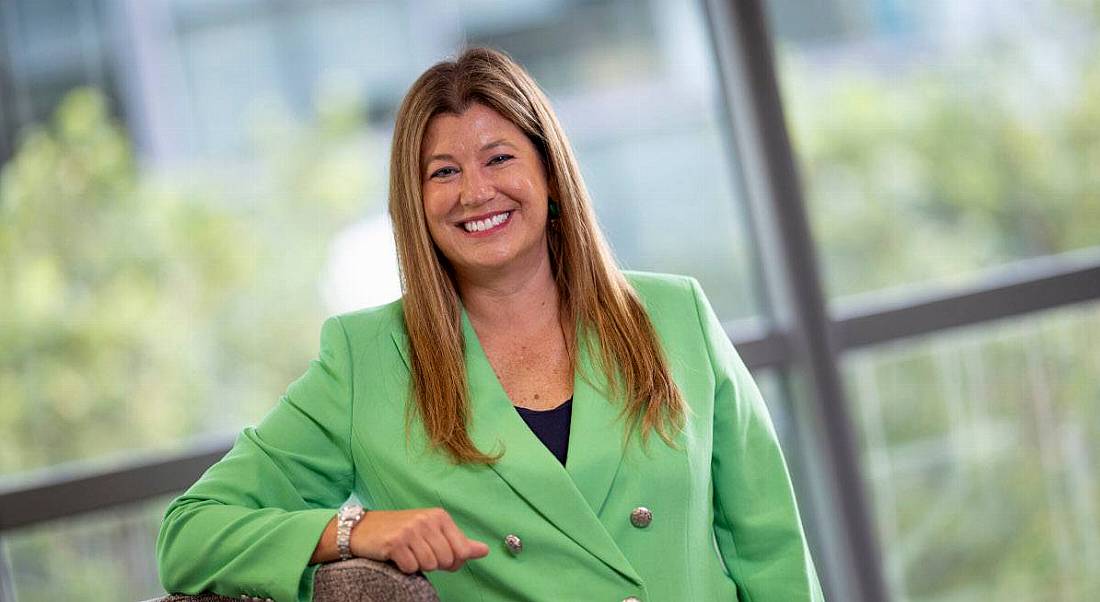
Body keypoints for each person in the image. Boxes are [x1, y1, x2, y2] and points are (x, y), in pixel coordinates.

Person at [156, 47, 824, 602]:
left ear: (551, 174)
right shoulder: (367, 361)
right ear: (416, 205)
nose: (476, 192)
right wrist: (354, 530)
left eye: (499, 158)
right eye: (443, 172)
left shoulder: (674, 315)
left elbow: (770, 551)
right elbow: (189, 533)